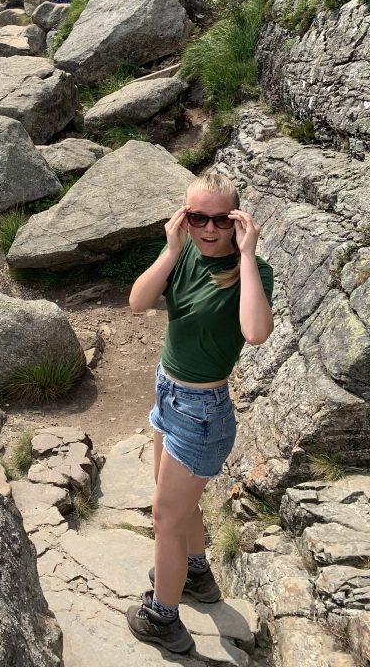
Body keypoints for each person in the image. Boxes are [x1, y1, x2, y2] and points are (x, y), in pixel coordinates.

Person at [125, 170, 274, 655]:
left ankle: (163, 618)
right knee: (175, 506)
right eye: (197, 217)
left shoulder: (252, 271)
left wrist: (247, 256)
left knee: (165, 519)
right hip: (167, 392)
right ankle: (195, 574)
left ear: (238, 221)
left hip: (202, 411)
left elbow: (255, 332)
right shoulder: (184, 251)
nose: (209, 229)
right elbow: (138, 301)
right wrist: (170, 249)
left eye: (220, 219)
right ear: (183, 217)